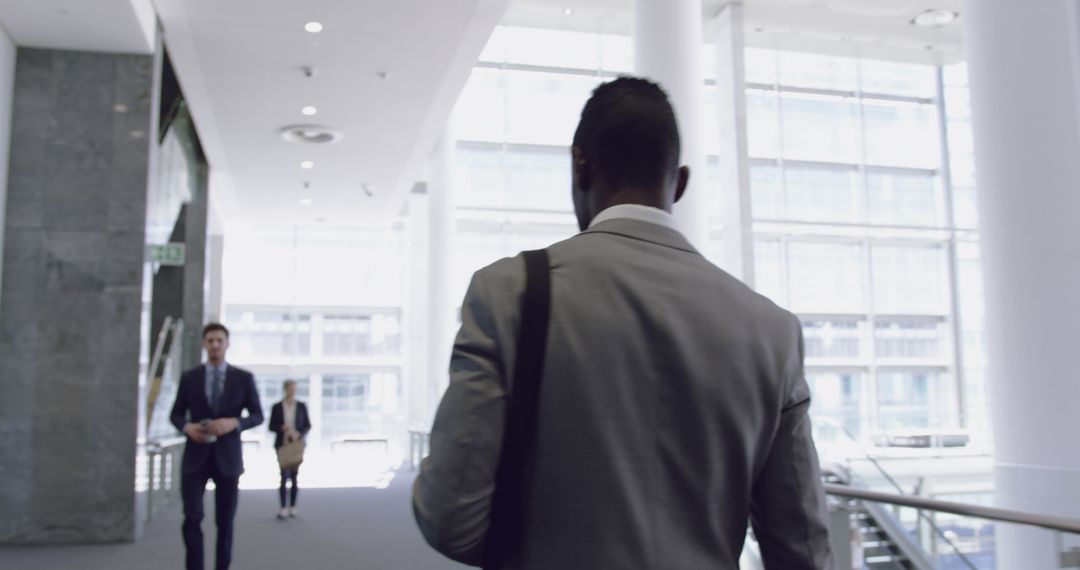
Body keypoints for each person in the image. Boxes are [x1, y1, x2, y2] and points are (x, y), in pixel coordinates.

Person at [413, 77, 833, 569]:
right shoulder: (772, 331)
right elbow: (801, 549)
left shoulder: (509, 293)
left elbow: (450, 518)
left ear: (579, 165)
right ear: (679, 183)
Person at [170, 323, 264, 570]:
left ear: (227, 344)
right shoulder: (190, 378)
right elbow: (176, 415)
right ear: (204, 344)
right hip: (195, 458)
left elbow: (257, 415)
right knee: (192, 518)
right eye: (210, 340)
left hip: (228, 458)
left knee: (225, 522)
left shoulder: (243, 378)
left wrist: (233, 422)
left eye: (219, 340)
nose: (214, 344)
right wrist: (187, 428)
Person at [268, 379, 311, 519]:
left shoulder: (301, 406)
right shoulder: (277, 406)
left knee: (294, 476)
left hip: (297, 444)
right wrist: (281, 428)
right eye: (290, 388)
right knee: (283, 475)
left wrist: (299, 433)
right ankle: (282, 507)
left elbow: (307, 425)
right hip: (282, 445)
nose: (293, 391)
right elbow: (271, 426)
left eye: (294, 388)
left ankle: (293, 506)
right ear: (285, 389)